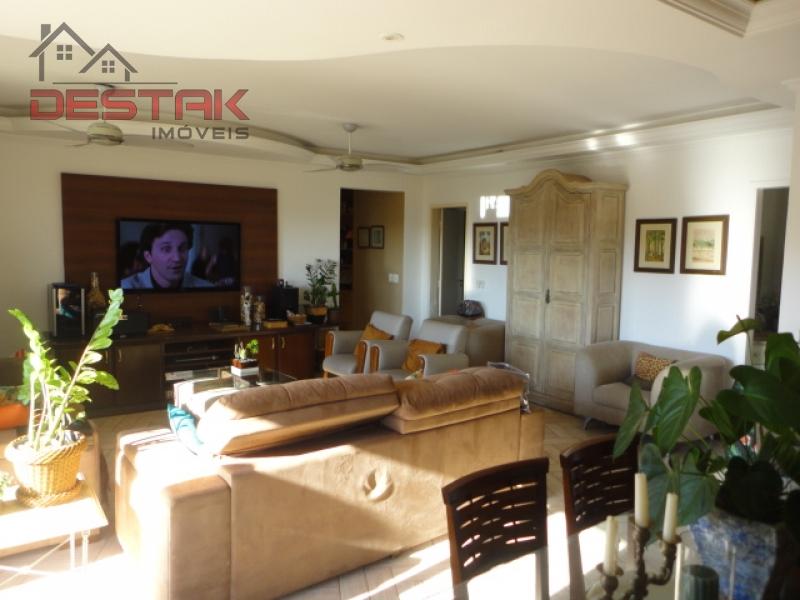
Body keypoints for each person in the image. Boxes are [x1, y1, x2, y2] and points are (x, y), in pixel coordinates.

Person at [121, 222, 214, 289]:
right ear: (148, 256)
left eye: (182, 248)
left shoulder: (206, 288)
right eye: (166, 249)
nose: (177, 258)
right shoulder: (125, 289)